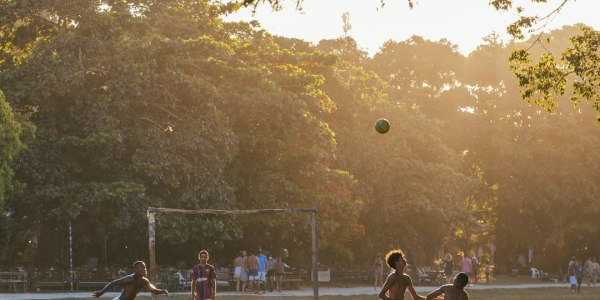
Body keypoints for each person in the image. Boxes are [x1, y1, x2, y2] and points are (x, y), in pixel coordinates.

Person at [92, 261, 168, 300]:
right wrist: (101, 292)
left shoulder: (144, 281)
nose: (145, 270)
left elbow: (154, 291)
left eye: (145, 268)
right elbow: (114, 282)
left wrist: (162, 291)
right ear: (136, 270)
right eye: (142, 268)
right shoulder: (131, 278)